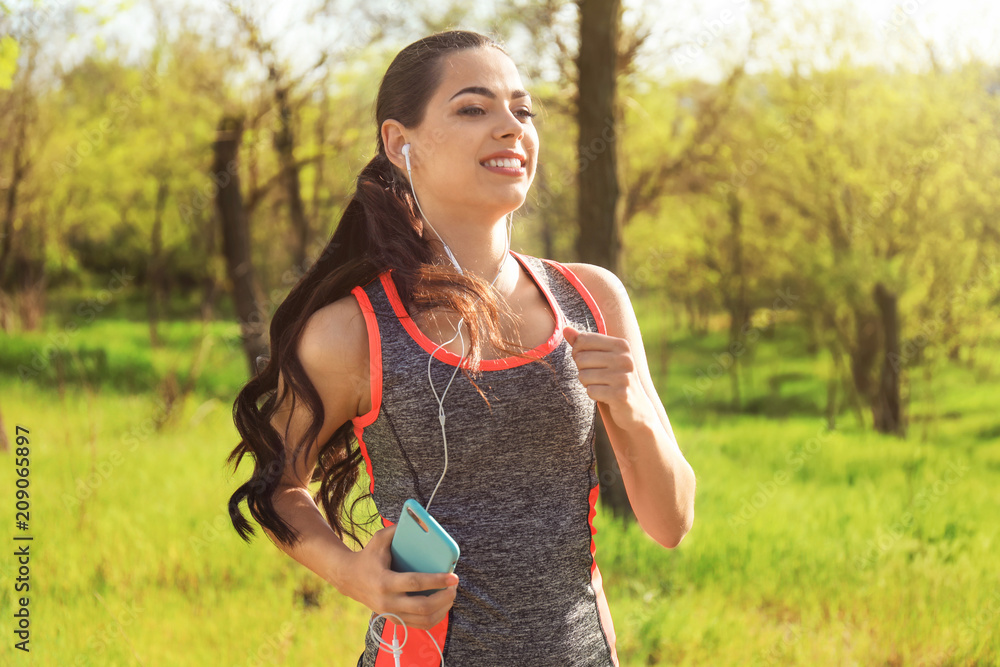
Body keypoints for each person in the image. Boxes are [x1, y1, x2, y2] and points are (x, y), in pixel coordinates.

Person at [226, 29, 696, 667]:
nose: (511, 127)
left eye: (522, 111)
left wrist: (632, 404)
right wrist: (353, 574)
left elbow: (670, 524)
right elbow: (276, 486)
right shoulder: (355, 329)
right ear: (400, 142)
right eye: (473, 108)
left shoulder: (592, 298)